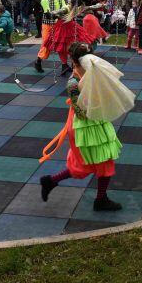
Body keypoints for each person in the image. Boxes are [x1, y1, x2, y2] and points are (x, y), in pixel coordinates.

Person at [39, 42, 135, 212]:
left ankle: (52, 181)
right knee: (94, 163)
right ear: (77, 62)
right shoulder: (73, 83)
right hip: (85, 126)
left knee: (96, 162)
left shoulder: (92, 74)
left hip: (96, 121)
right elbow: (82, 113)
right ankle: (100, 200)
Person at [35, 0, 67, 73]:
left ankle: (65, 64)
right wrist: (60, 13)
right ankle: (38, 61)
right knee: (46, 44)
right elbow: (48, 14)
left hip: (58, 24)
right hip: (48, 25)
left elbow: (65, 7)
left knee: (62, 43)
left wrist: (64, 11)